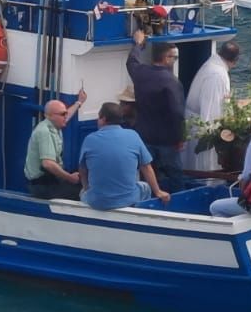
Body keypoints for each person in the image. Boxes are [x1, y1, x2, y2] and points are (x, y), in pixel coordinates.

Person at [126, 28, 186, 193]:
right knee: (174, 174)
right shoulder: (172, 82)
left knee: (148, 172)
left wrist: (138, 44)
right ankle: (178, 203)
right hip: (167, 139)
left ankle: (151, 198)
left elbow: (131, 61)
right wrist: (180, 137)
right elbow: (177, 113)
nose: (175, 60)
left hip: (144, 135)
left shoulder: (140, 73)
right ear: (166, 58)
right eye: (175, 57)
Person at [79, 102, 168, 209]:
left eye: (98, 117)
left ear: (103, 119)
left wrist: (86, 188)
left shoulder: (89, 139)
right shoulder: (133, 135)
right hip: (128, 200)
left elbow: (83, 171)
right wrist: (158, 192)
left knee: (82, 193)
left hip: (98, 202)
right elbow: (147, 167)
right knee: (145, 187)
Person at [183, 40, 241, 171]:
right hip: (203, 126)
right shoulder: (217, 75)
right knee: (205, 168)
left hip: (195, 119)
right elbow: (211, 111)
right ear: (236, 60)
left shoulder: (212, 66)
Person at [25, 89, 89, 199]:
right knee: (82, 192)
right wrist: (69, 178)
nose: (66, 116)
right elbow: (48, 164)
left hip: (51, 179)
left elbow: (67, 115)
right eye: (62, 114)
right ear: (49, 116)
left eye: (65, 113)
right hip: (42, 185)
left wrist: (79, 102)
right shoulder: (44, 132)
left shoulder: (56, 123)